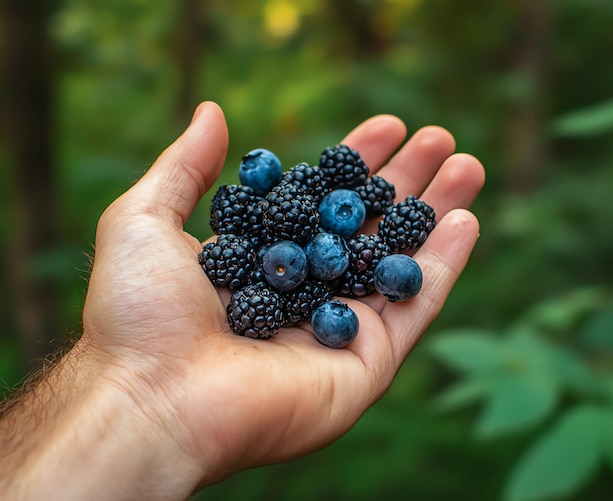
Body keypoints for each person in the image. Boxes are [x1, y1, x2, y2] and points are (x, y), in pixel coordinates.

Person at [0, 102, 485, 499]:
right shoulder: (279, 244)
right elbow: (294, 259)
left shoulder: (339, 247)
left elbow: (328, 258)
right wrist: (138, 384)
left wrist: (141, 397)